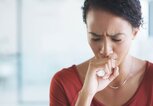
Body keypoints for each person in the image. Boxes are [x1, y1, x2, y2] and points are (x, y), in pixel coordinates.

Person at [50, 0, 153, 106]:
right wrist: (86, 94)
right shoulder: (63, 83)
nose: (105, 50)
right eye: (95, 38)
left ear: (134, 33)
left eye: (116, 39)